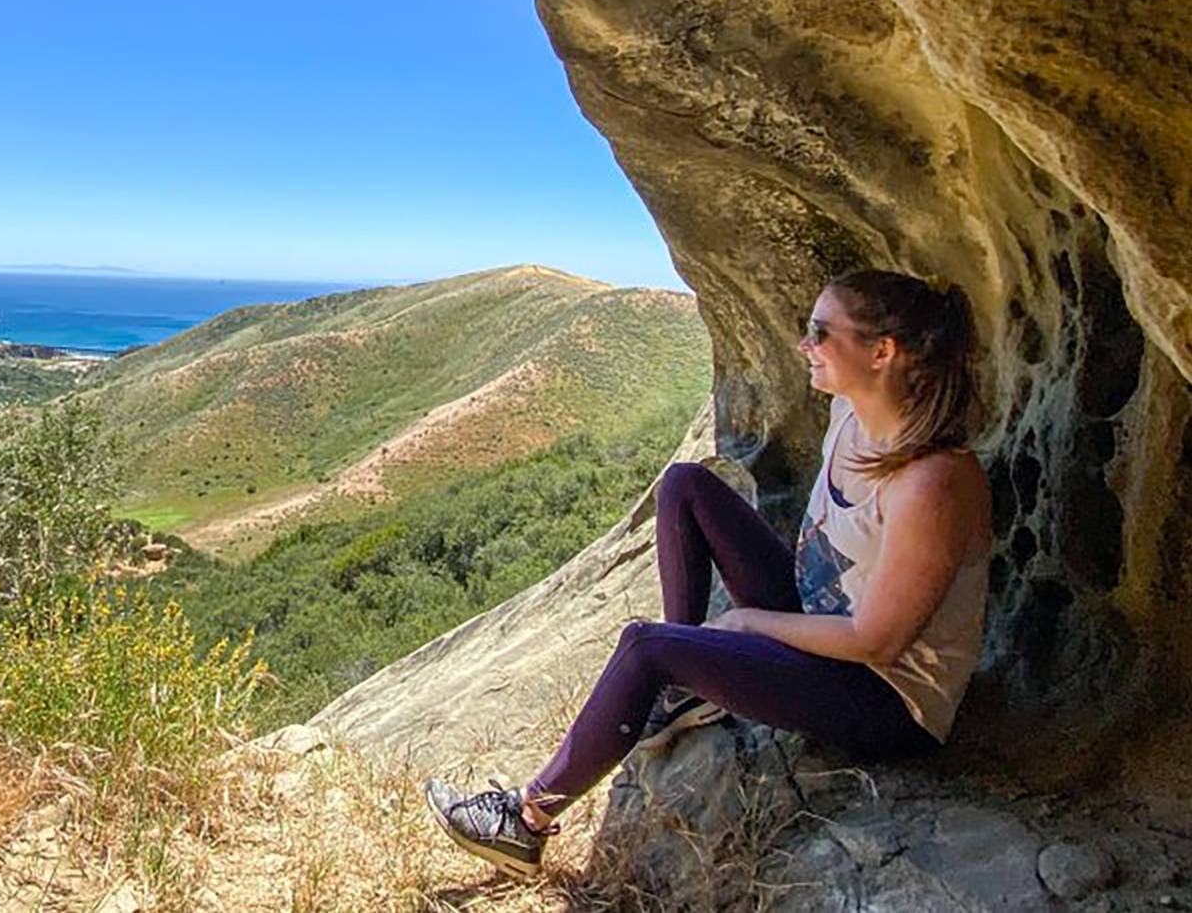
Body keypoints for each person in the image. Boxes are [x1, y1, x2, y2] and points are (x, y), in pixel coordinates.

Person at [425, 270, 993, 880]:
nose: (804, 345)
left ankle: (526, 824)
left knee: (648, 646)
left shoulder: (932, 483)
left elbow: (878, 640)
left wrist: (748, 623)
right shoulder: (850, 420)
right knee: (684, 486)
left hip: (886, 700)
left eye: (821, 332)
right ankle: (684, 688)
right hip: (820, 629)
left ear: (882, 352)